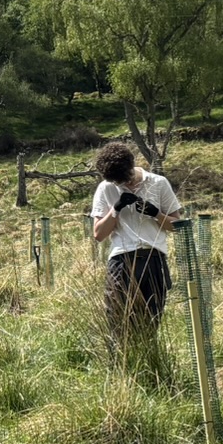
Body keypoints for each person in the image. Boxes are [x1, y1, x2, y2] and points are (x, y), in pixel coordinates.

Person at [89, 140, 183, 331]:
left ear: (132, 163)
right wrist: (116, 209)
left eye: (128, 178)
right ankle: (121, 352)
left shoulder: (158, 183)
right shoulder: (106, 188)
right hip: (122, 261)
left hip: (154, 259)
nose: (126, 184)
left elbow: (177, 226)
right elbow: (98, 234)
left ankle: (149, 351)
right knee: (119, 323)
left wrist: (156, 214)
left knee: (151, 322)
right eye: (120, 182)